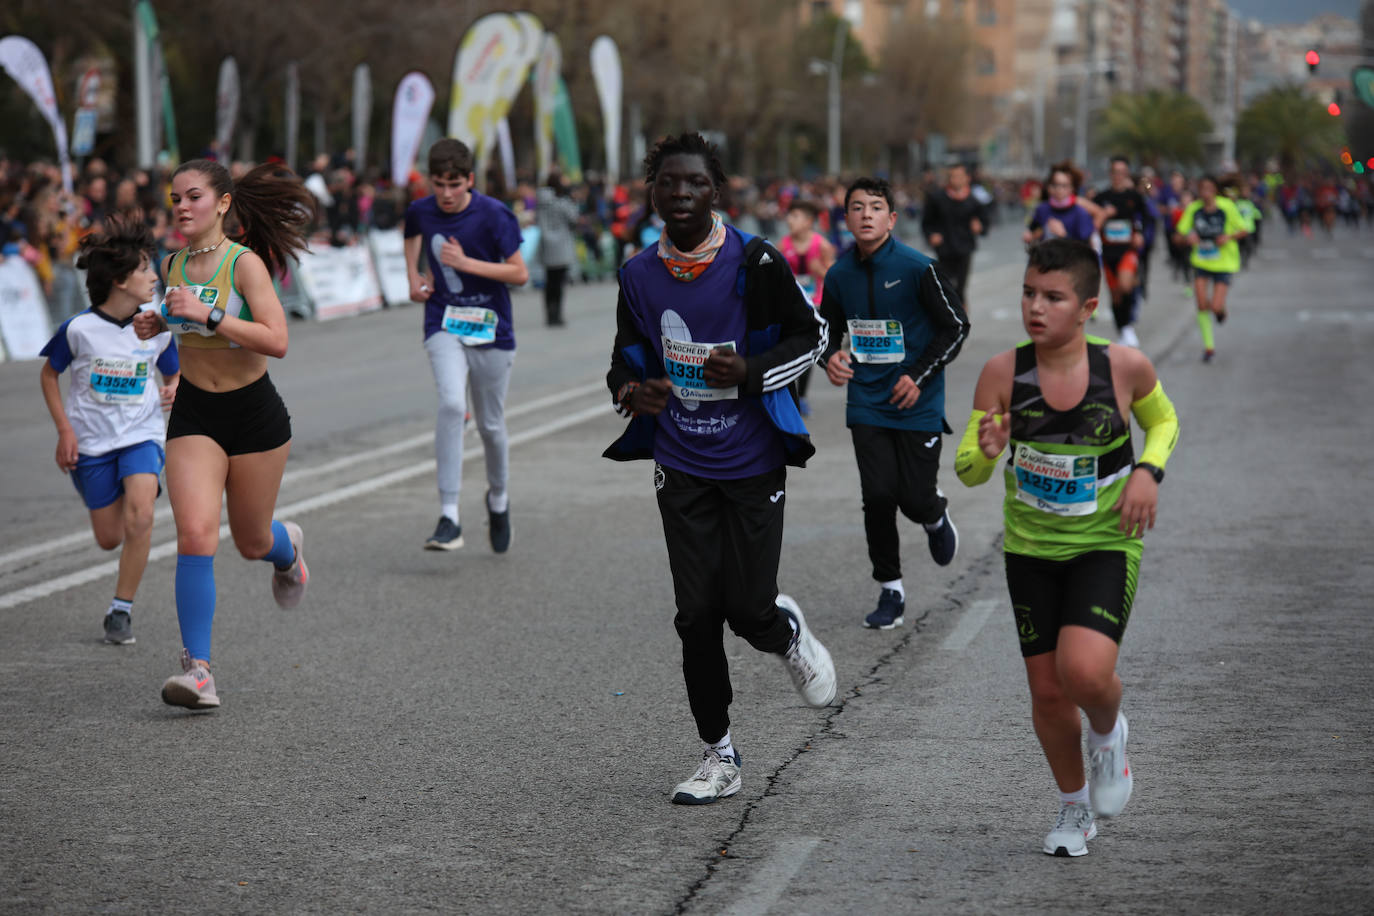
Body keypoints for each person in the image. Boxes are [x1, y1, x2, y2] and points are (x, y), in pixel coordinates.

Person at [604, 132, 836, 805]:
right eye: (668, 182)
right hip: (681, 462)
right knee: (696, 614)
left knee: (748, 609)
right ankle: (719, 755)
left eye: (695, 183)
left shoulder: (754, 261)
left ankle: (786, 632)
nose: (681, 194)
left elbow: (815, 336)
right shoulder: (637, 275)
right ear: (652, 193)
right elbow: (623, 360)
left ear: (717, 191)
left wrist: (752, 371)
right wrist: (632, 391)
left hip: (752, 460)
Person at [954, 238, 1179, 858]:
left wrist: (1148, 471)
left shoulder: (1124, 368)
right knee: (1049, 692)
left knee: (1084, 673)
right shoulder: (1002, 373)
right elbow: (968, 470)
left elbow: (1163, 422)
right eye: (1029, 293)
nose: (1035, 306)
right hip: (1030, 550)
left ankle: (1107, 732)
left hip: (1106, 542)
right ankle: (1074, 808)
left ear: (1087, 308)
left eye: (1053, 297)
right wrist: (987, 450)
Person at [132, 159, 315, 710]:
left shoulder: (245, 265)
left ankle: (286, 549)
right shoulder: (172, 264)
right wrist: (160, 322)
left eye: (193, 197)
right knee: (195, 535)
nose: (182, 207)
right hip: (195, 414)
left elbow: (277, 340)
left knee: (252, 542)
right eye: (175, 199)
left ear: (223, 203)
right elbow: (183, 319)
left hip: (254, 416)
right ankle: (199, 671)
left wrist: (207, 316)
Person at [820, 177, 970, 630]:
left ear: (891, 219)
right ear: (846, 219)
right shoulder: (838, 275)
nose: (866, 214)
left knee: (913, 498)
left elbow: (956, 327)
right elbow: (824, 332)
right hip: (866, 400)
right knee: (878, 496)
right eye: (856, 207)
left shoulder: (918, 268)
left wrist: (917, 375)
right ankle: (890, 588)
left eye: (875, 207)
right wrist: (830, 359)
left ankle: (933, 514)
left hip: (916, 401)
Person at [39, 217, 179, 646]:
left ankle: (121, 609)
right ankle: (117, 490)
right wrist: (64, 430)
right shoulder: (78, 329)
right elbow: (49, 375)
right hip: (91, 445)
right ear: (119, 280)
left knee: (141, 514)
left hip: (141, 435)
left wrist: (174, 387)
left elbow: (173, 372)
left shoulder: (155, 326)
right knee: (109, 538)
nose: (154, 277)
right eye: (145, 269)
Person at [404, 139, 528, 552]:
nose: (446, 193)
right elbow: (411, 234)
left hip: (492, 328)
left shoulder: (494, 214)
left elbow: (520, 273)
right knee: (453, 405)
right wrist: (413, 276)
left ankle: (499, 499)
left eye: (454, 184)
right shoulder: (421, 210)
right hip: (444, 320)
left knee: (491, 426)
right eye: (439, 184)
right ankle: (449, 516)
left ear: (470, 180)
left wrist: (466, 264)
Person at [1174, 175, 1247, 362]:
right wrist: (1188, 237)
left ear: (1215, 189)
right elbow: (1178, 235)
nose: (1205, 192)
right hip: (1201, 261)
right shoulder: (1193, 209)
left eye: (1209, 188)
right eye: (1202, 188)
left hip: (1224, 263)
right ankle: (1209, 347)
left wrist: (1228, 237)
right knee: (1200, 304)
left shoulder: (1227, 206)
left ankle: (1220, 310)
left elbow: (1244, 229)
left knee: (1215, 307)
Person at [778, 199, 836, 416]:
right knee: (788, 349)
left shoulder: (822, 245)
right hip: (791, 305)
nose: (789, 221)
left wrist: (819, 270)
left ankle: (801, 397)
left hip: (815, 304)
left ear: (809, 221)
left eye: (795, 217)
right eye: (789, 216)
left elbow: (833, 278)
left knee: (806, 351)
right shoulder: (783, 245)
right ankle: (789, 395)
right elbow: (776, 274)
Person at [1094, 157, 1154, 348]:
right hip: (1108, 252)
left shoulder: (1134, 197)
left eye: (1122, 172)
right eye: (1115, 172)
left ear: (1127, 174)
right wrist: (1103, 215)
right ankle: (1122, 329)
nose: (1118, 176)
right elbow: (1091, 221)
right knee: (1116, 295)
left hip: (1128, 250)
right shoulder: (1101, 197)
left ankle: (1128, 327)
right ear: (1110, 174)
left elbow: (1147, 218)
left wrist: (1141, 234)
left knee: (1125, 286)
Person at [920, 162, 984, 304]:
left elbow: (984, 221)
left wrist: (979, 226)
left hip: (965, 248)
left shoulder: (974, 200)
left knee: (960, 288)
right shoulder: (936, 198)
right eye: (951, 176)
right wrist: (931, 235)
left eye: (958, 176)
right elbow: (926, 222)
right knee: (946, 286)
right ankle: (951, 313)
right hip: (944, 249)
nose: (954, 180)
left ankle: (962, 314)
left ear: (967, 178)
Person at [535, 170, 579, 326]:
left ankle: (549, 314)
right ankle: (557, 314)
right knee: (559, 282)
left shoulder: (540, 201)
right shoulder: (562, 201)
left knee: (549, 281)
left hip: (546, 244)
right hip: (561, 245)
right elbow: (573, 218)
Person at [1024, 163, 1097, 247]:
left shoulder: (1080, 212)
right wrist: (1029, 236)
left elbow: (1084, 248)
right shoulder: (1042, 209)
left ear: (1072, 188)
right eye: (1054, 184)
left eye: (1064, 186)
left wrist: (1063, 235)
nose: (1059, 189)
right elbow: (1033, 229)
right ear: (1048, 187)